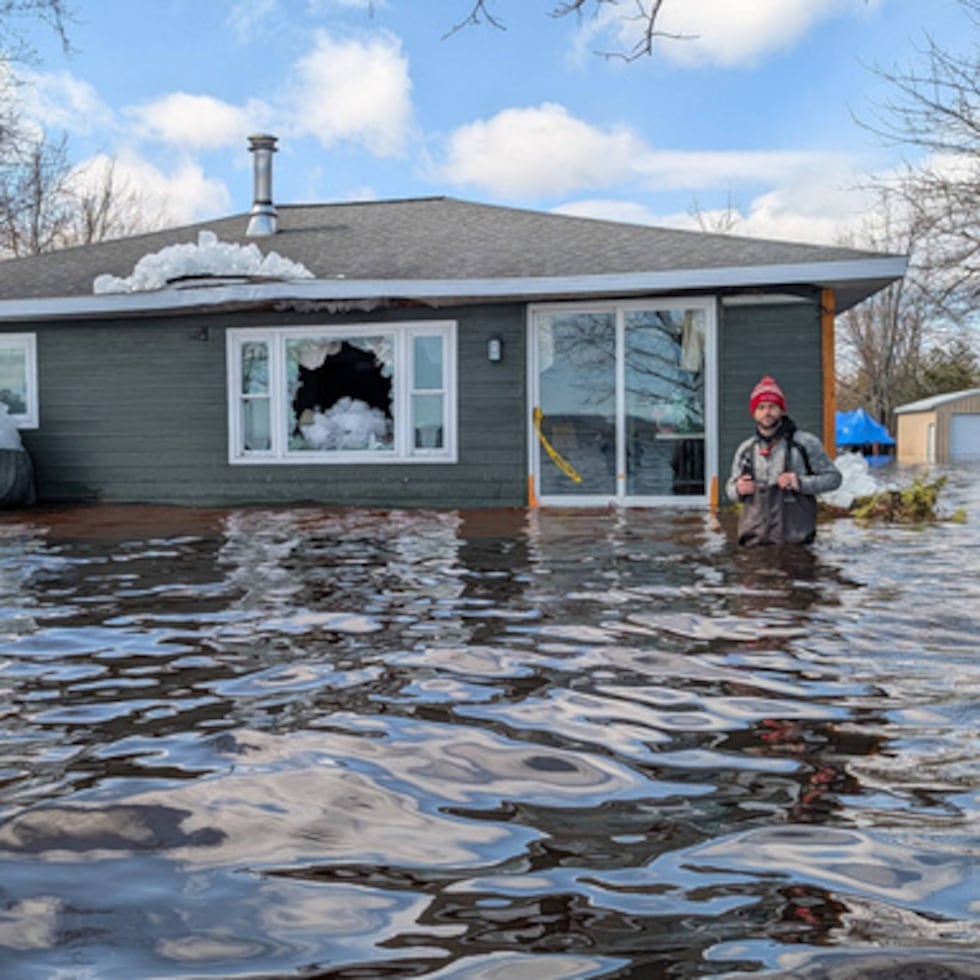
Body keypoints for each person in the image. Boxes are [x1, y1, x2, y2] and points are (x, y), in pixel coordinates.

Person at [726, 376, 841, 546]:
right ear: (754, 413)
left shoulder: (805, 443)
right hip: (754, 546)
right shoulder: (746, 450)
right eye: (761, 407)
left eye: (772, 406)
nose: (767, 412)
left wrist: (799, 482)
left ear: (782, 410)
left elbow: (834, 479)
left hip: (798, 545)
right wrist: (737, 489)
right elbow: (730, 488)